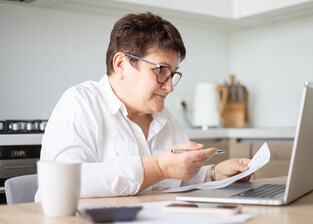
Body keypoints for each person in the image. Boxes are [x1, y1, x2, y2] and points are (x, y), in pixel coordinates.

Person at [35, 12, 251, 200]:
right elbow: (62, 183)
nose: (169, 87)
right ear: (121, 64)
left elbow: (176, 179)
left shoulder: (166, 119)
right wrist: (158, 167)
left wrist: (213, 174)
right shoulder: (80, 103)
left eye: (172, 74)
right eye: (160, 70)